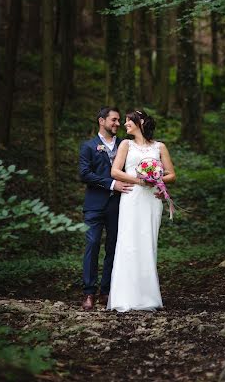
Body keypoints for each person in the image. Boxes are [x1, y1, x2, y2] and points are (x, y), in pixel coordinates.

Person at [107, 109, 176, 312]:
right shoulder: (125, 145)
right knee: (128, 243)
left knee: (147, 243)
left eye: (129, 120)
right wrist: (140, 180)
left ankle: (148, 298)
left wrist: (155, 179)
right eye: (125, 120)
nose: (125, 123)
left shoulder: (159, 147)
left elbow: (171, 174)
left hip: (152, 200)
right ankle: (124, 297)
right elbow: (115, 171)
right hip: (132, 199)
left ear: (141, 122)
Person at [79, 107, 134, 311]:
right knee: (92, 244)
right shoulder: (88, 147)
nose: (117, 124)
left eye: (119, 120)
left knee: (113, 247)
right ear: (101, 121)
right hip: (94, 205)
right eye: (114, 120)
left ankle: (106, 291)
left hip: (119, 205)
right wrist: (111, 184)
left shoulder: (125, 145)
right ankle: (88, 292)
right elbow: (85, 174)